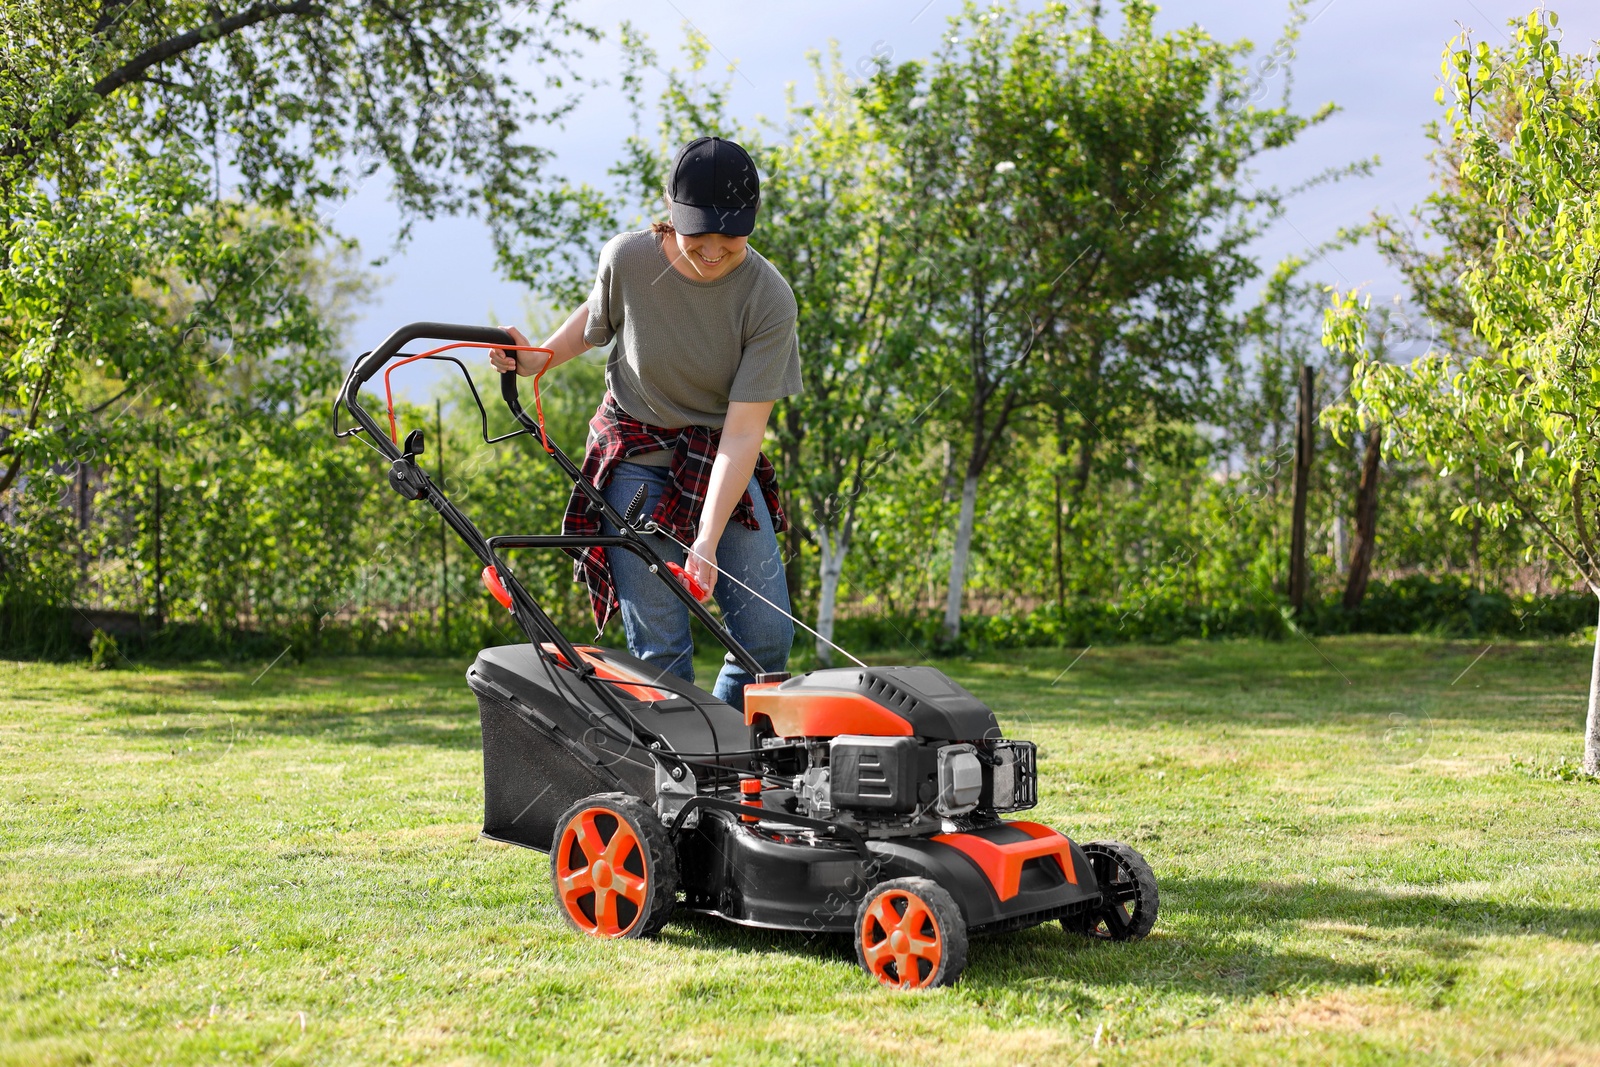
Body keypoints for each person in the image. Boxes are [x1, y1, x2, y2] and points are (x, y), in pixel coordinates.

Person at [489, 136, 799, 712]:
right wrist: (536, 360)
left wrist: (704, 542)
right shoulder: (628, 257)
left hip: (718, 458)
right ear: (670, 217)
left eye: (730, 235)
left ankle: (723, 753)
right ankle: (678, 778)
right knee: (661, 651)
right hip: (634, 451)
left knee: (765, 642)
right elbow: (597, 315)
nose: (712, 249)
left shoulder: (769, 298)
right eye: (696, 234)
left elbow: (742, 433)